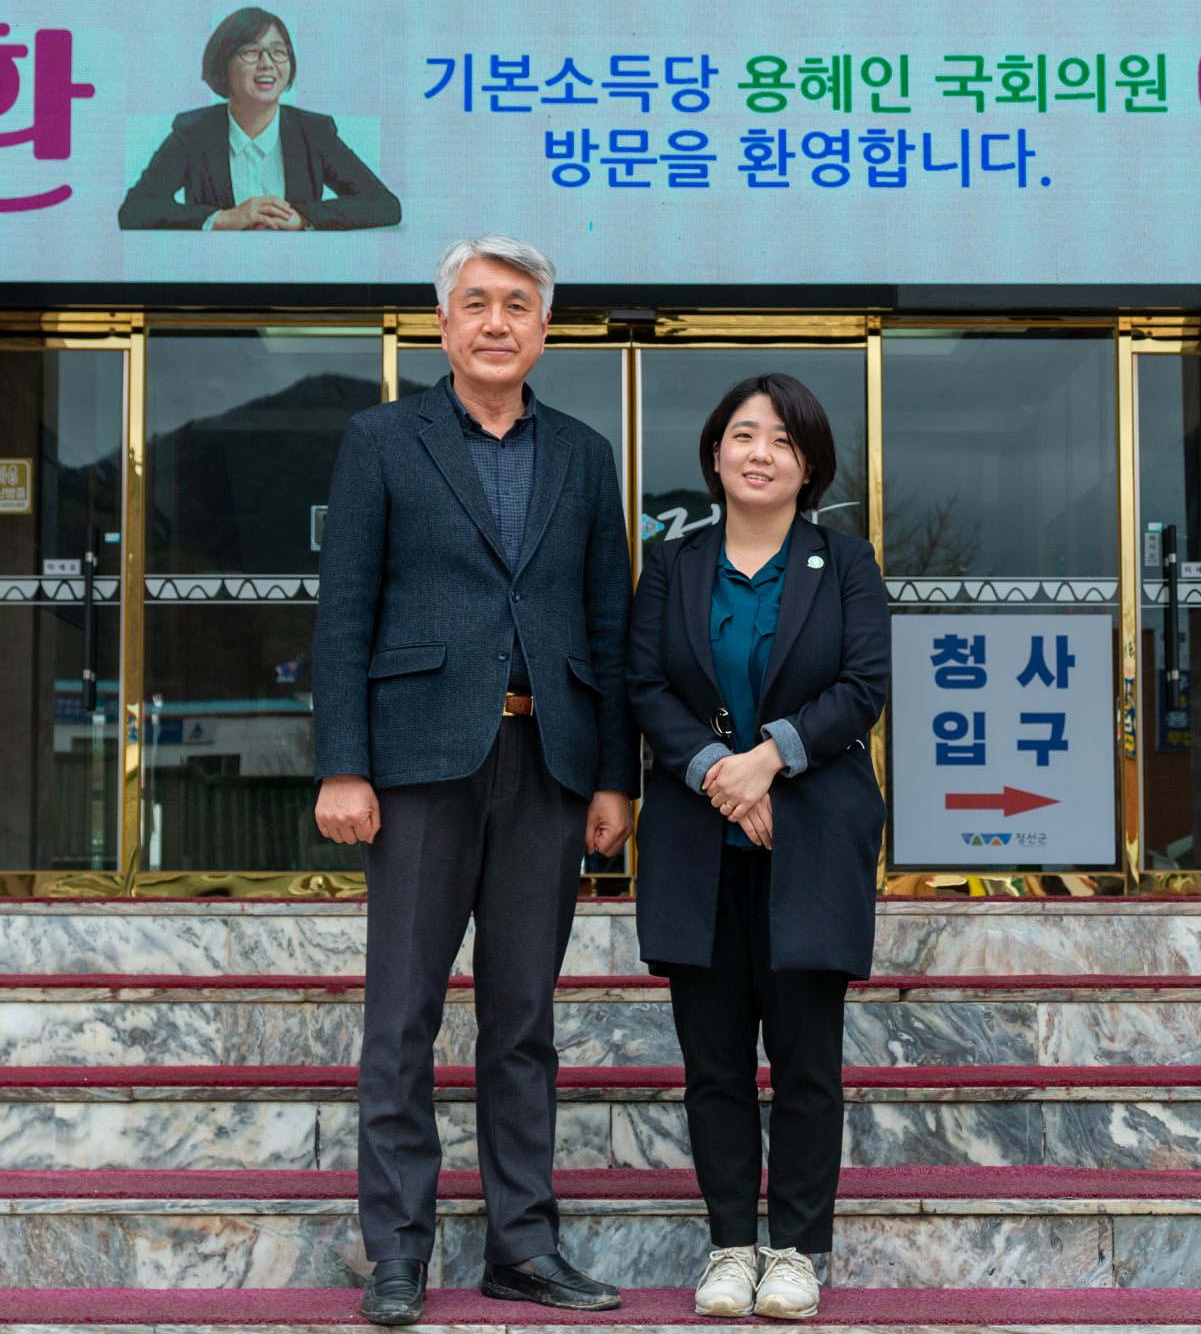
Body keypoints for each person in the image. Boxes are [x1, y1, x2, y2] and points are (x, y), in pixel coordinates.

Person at [312, 235, 636, 1325]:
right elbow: (345, 609)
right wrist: (344, 763)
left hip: (548, 761)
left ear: (544, 328)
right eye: (477, 303)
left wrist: (615, 777)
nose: (498, 322)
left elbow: (608, 619)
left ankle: (522, 1245)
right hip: (414, 763)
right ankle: (398, 1250)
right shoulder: (381, 439)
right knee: (401, 1013)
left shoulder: (585, 453)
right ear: (443, 324)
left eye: (519, 305)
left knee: (523, 1017)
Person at [624, 374, 889, 1322]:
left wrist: (769, 761)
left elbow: (862, 686)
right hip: (699, 842)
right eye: (743, 434)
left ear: (808, 465)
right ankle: (732, 1248)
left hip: (811, 837)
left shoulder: (845, 563)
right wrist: (718, 777)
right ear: (715, 454)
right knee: (715, 1063)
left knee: (808, 1063)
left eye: (783, 439)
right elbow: (645, 685)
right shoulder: (672, 564)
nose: (761, 452)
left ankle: (799, 1253)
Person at [118, 7, 401, 231]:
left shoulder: (313, 132)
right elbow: (135, 209)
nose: (267, 63)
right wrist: (222, 219)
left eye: (278, 52)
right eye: (251, 52)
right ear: (223, 65)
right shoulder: (194, 133)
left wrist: (303, 218)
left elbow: (384, 204)